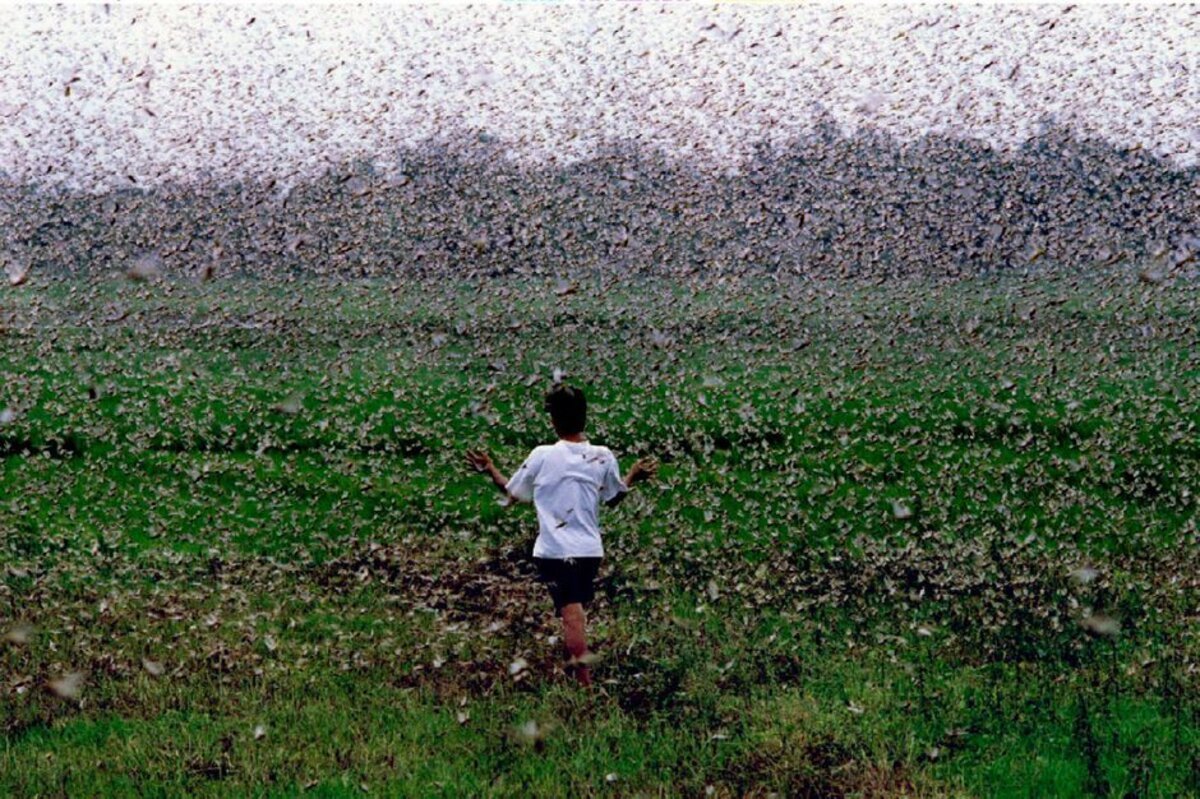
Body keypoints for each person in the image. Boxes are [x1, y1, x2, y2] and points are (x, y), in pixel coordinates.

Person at [466, 384, 656, 686]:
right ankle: (576, 668)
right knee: (573, 610)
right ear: (585, 417)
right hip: (590, 552)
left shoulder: (542, 455)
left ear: (553, 419)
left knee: (572, 615)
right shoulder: (603, 456)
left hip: (554, 552)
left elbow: (513, 493)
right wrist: (633, 477)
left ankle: (584, 685)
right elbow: (613, 498)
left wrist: (490, 469)